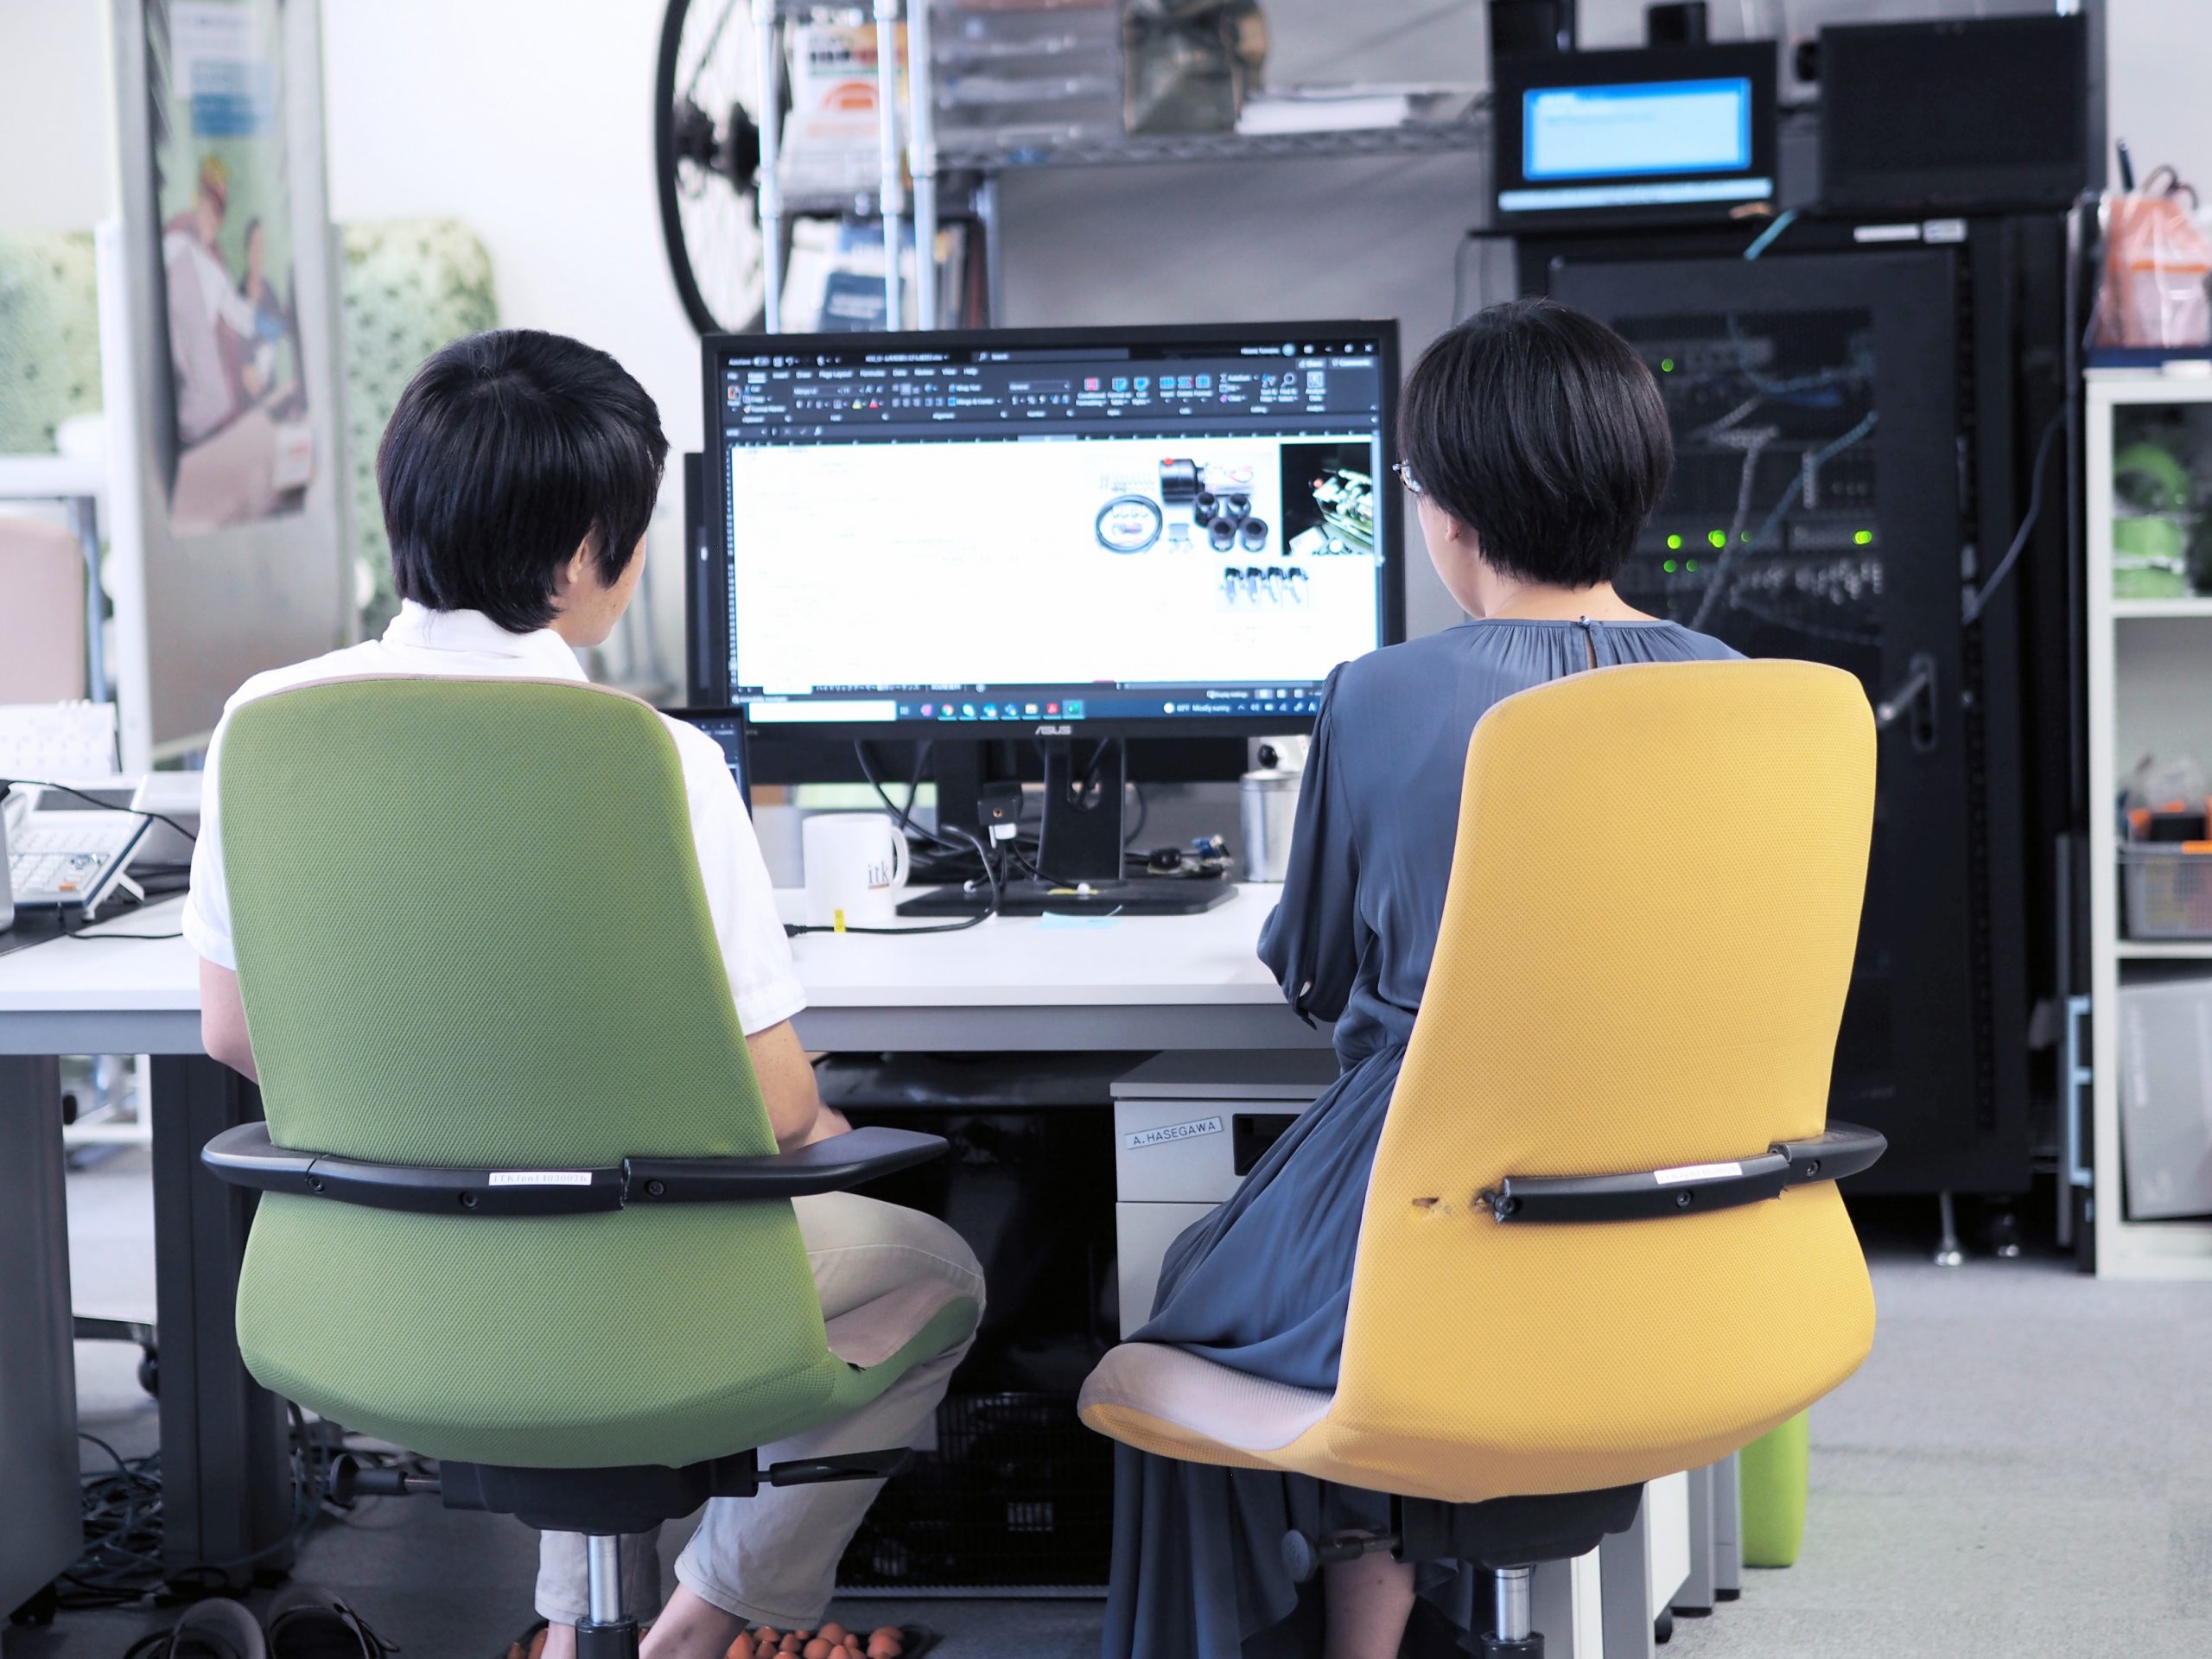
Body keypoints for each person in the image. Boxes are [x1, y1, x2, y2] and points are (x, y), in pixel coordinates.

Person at [182, 329, 985, 1659]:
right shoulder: (649, 761)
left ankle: (569, 1636)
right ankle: (697, 1630)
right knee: (934, 1272)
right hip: (636, 1300)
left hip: (371, 1294)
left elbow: (230, 1031)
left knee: (572, 1183)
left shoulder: (267, 723)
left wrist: (451, 1118)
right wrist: (818, 1144)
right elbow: (780, 1105)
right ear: (582, 556)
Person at [1103, 299, 1738, 1659]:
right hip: (1696, 1227)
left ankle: (1342, 1623)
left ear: (1443, 514)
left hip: (1440, 1207)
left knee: (1190, 1288)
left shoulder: (1382, 694)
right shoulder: (1747, 693)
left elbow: (1317, 972)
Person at [161, 155, 261, 444]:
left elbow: (241, 316)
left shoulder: (211, 264)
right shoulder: (176, 246)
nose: (211, 220)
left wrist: (254, 280)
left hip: (202, 395)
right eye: (208, 208)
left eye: (217, 213)